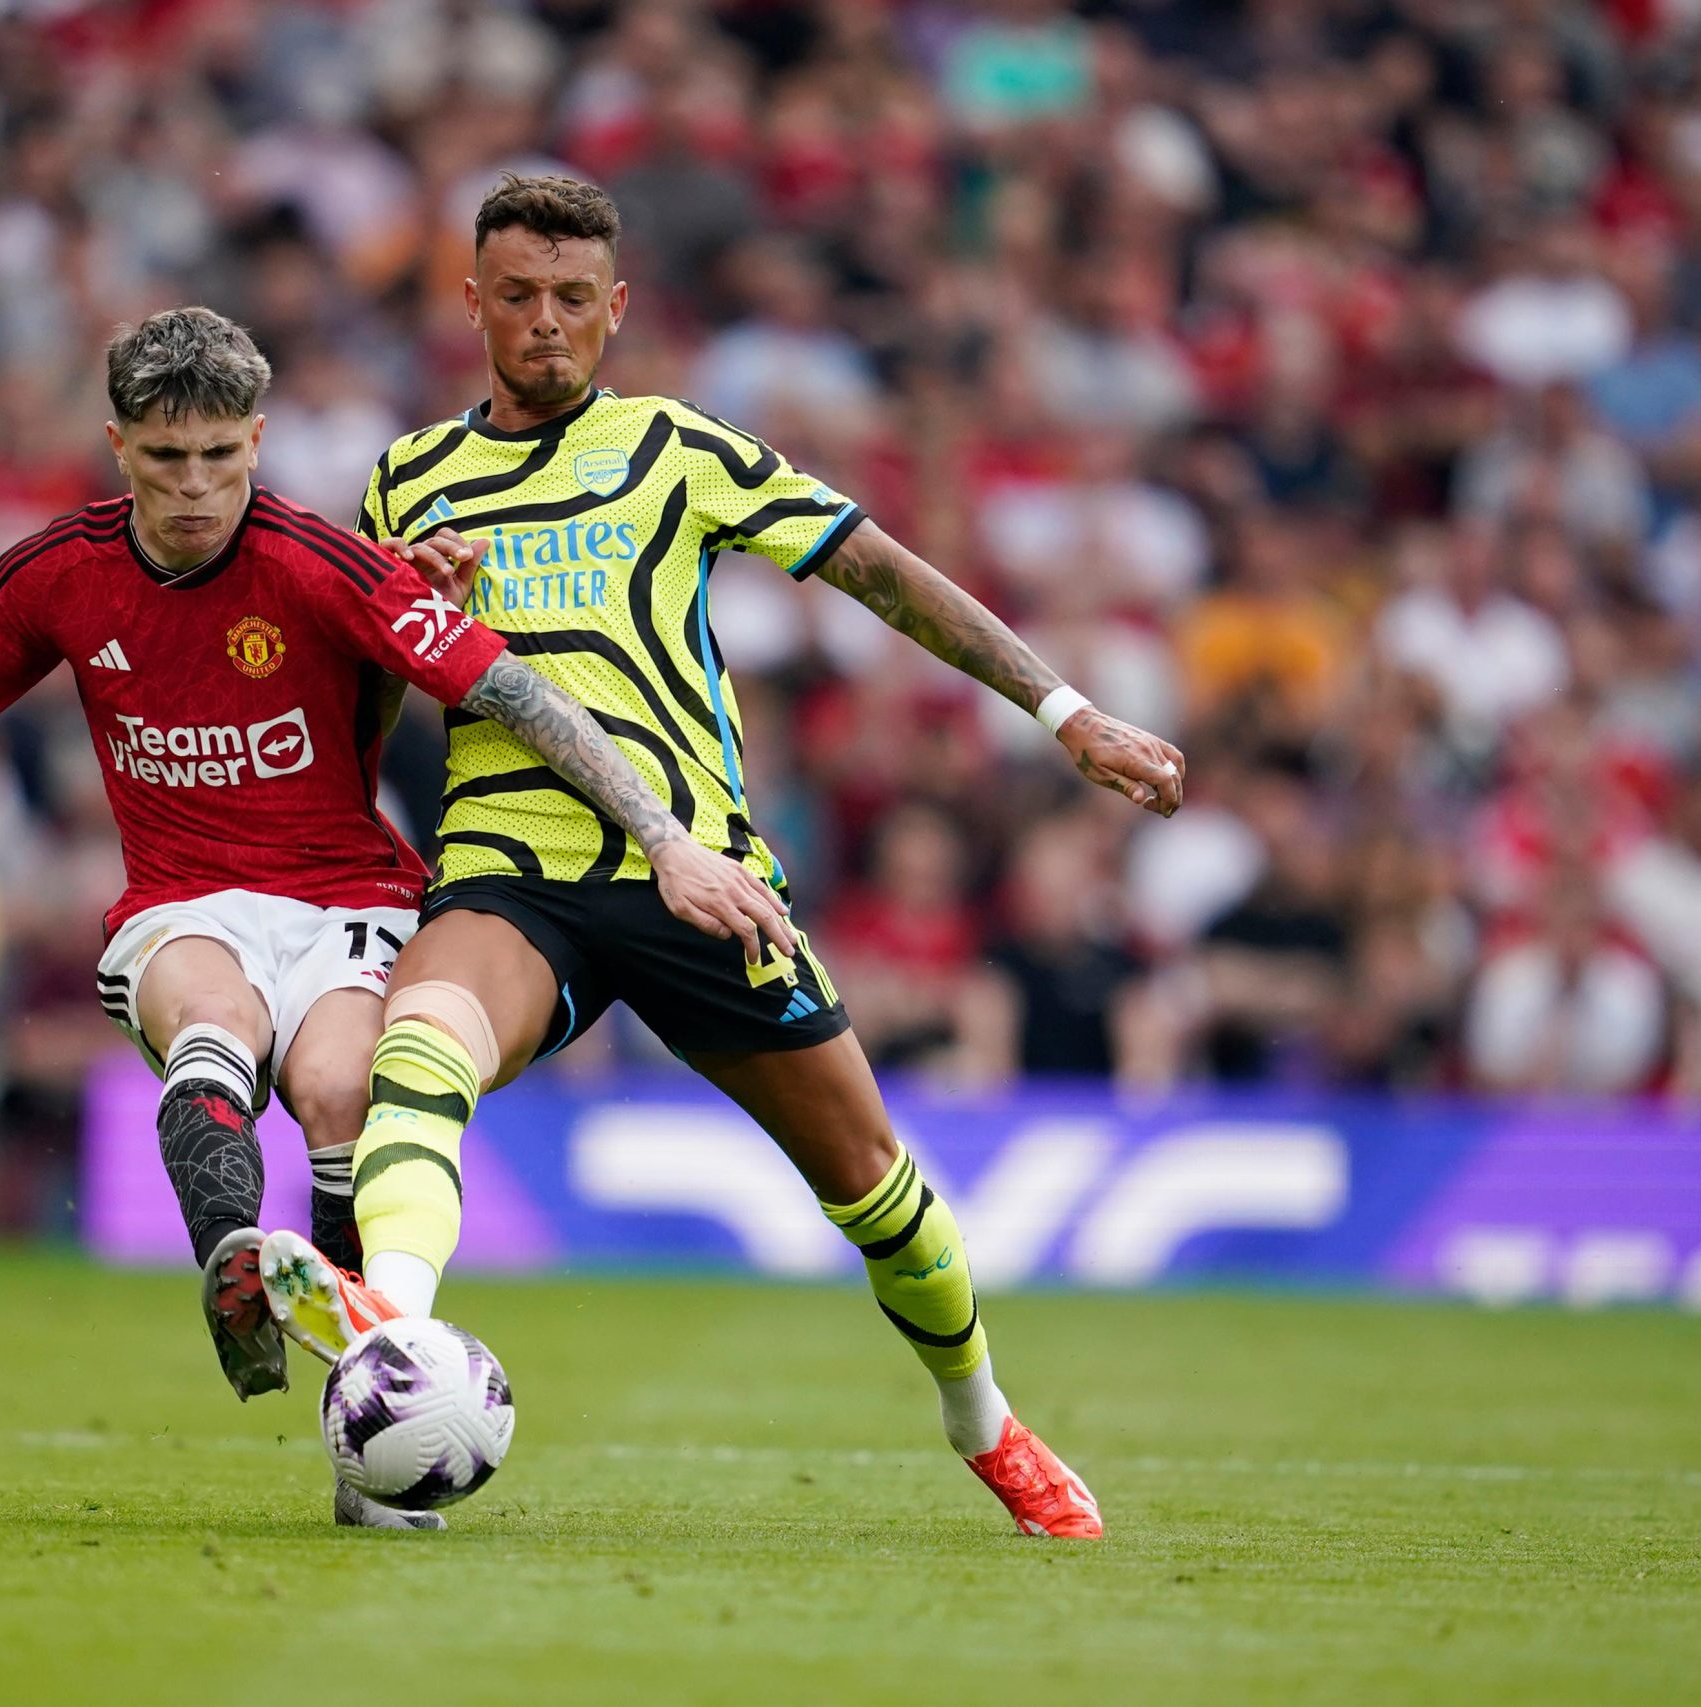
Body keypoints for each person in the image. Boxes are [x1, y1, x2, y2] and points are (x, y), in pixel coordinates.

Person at [0, 307, 779, 1527]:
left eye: (220, 455)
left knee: (338, 1091)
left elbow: (519, 695)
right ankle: (234, 1266)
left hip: (347, 894)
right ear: (119, 447)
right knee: (213, 1020)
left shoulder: (325, 565)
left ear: (256, 439)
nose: (197, 486)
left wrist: (667, 840)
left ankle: (363, 1434)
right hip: (180, 900)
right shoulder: (54, 574)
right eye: (167, 458)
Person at [255, 176, 1186, 1541]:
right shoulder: (407, 480)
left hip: (698, 874)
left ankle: (981, 1416)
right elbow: (369, 701)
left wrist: (1065, 711)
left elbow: (881, 571)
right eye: (517, 295)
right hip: (510, 865)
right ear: (472, 303)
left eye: (574, 297)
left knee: (877, 1188)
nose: (546, 321)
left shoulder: (676, 447)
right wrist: (408, 620)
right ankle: (393, 1328)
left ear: (617, 308)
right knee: (420, 1052)